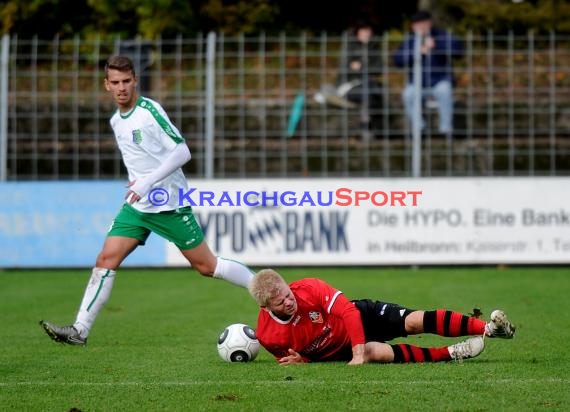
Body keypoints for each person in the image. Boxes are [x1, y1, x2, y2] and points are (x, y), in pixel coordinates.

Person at [39, 55, 255, 346]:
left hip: (169, 203)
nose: (121, 88)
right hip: (138, 206)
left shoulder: (149, 110)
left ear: (135, 80)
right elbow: (139, 160)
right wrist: (138, 182)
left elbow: (182, 152)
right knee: (106, 259)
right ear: (106, 85)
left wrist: (147, 182)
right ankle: (80, 330)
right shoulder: (116, 120)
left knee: (207, 267)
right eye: (115, 82)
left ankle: (267, 290)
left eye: (126, 81)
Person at [248, 269, 515, 365]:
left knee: (414, 321)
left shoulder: (309, 288)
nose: (289, 300)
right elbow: (294, 356)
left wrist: (357, 352)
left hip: (362, 316)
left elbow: (348, 311)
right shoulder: (269, 336)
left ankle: (489, 329)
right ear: (266, 307)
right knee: (378, 353)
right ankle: (450, 353)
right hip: (339, 351)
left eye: (286, 292)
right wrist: (301, 360)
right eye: (280, 301)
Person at [393, 10, 463, 136]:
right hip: (417, 84)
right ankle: (419, 129)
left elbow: (458, 51)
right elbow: (398, 60)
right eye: (417, 24)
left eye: (423, 24)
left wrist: (437, 46)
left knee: (445, 91)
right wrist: (416, 53)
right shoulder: (409, 41)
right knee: (408, 94)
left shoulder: (442, 36)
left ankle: (445, 130)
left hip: (439, 81)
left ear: (430, 23)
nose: (420, 27)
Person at [314, 20, 384, 134]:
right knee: (367, 93)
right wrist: (366, 67)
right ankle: (365, 125)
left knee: (377, 91)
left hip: (369, 84)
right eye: (364, 31)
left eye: (368, 31)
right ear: (357, 33)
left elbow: (379, 68)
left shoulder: (374, 48)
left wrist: (361, 66)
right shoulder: (349, 47)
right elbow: (346, 69)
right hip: (348, 86)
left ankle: (373, 127)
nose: (367, 33)